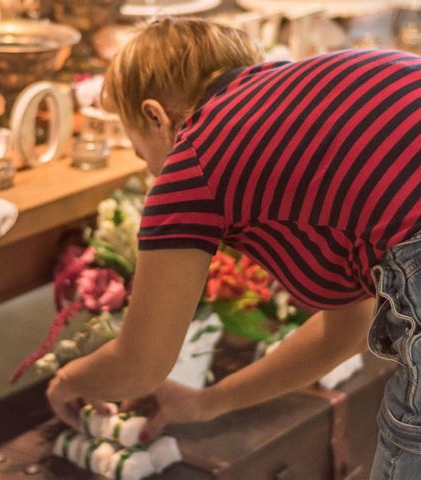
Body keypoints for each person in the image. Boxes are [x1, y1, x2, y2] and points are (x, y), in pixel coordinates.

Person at [46, 17, 421, 479]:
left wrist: (66, 382)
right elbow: (345, 330)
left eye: (144, 157)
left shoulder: (194, 157)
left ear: (155, 117)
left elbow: (138, 366)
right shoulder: (311, 88)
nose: (152, 174)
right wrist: (206, 403)